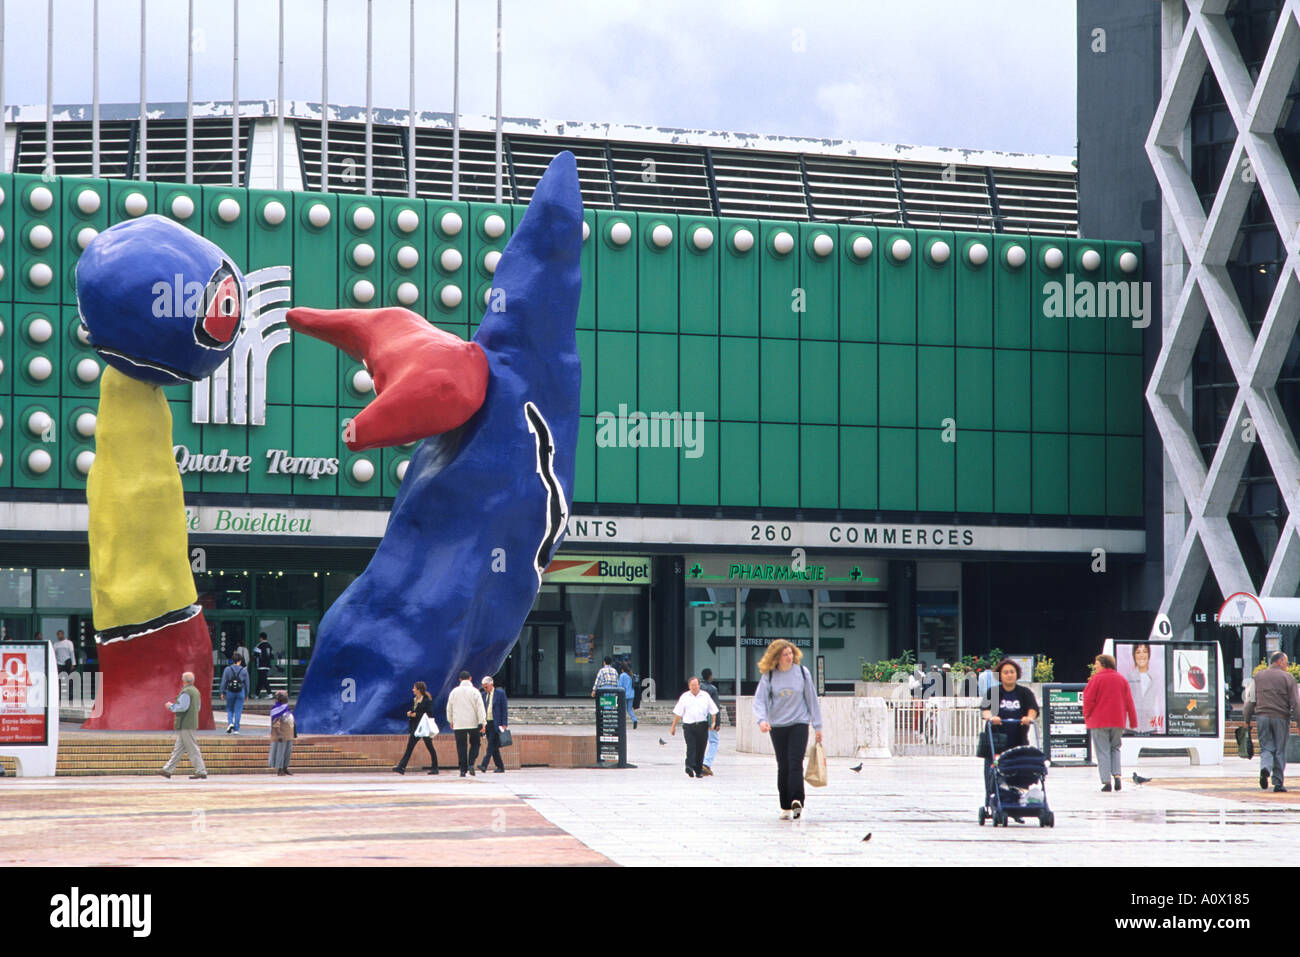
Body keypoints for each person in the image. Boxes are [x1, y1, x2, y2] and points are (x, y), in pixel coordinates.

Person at [752, 639, 823, 820]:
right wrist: (762, 720)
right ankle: (785, 804)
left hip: (799, 723)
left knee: (795, 762)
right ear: (776, 657)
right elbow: (759, 700)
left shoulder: (802, 672)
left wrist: (818, 726)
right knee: (783, 765)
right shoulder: (769, 675)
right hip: (778, 726)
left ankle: (797, 800)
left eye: (791, 653)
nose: (789, 657)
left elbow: (811, 699)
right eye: (785, 654)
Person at [979, 658, 1039, 800]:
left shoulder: (1025, 693)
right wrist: (991, 718)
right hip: (996, 741)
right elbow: (985, 710)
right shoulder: (993, 692)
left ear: (1016, 674)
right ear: (1000, 675)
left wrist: (1029, 718)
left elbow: (1033, 709)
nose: (1009, 675)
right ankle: (993, 800)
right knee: (993, 773)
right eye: (1005, 672)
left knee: (1019, 774)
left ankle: (1017, 801)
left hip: (1018, 740)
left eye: (1012, 672)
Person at [1242, 651, 1300, 793]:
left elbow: (1249, 701)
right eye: (1286, 663)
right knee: (1280, 750)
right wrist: (1299, 722)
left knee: (1266, 747)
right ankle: (1278, 783)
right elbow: (1296, 703)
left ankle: (1265, 768)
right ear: (1280, 661)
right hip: (1280, 718)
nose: (1287, 666)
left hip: (1262, 717)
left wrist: (1247, 720)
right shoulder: (1288, 678)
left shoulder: (1258, 676)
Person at [1082, 653, 1138, 792]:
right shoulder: (1121, 679)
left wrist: (1087, 716)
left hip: (1099, 721)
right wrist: (1133, 720)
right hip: (1118, 721)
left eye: (1097, 663)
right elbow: (1129, 701)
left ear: (1103, 664)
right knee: (1115, 748)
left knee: (1103, 751)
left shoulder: (1096, 679)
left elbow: (1088, 700)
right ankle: (1117, 776)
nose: (1095, 666)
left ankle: (1106, 782)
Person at [670, 676, 719, 778]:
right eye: (692, 685)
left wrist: (714, 722)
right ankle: (689, 766)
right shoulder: (684, 697)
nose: (694, 687)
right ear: (689, 686)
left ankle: (698, 770)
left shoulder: (705, 696)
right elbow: (678, 713)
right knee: (691, 746)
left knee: (701, 748)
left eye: (696, 685)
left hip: (702, 725)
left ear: (699, 685)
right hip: (689, 726)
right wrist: (673, 727)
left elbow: (713, 710)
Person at [160, 672, 207, 779]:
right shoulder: (195, 691)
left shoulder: (186, 692)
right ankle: (167, 770)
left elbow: (183, 707)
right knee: (179, 748)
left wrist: (171, 706)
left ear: (184, 680)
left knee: (192, 747)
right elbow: (198, 708)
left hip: (186, 723)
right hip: (190, 722)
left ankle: (201, 770)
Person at [393, 680, 440, 774]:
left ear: (419, 689)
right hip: (415, 727)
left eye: (414, 688)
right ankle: (401, 767)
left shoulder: (426, 700)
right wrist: (410, 713)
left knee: (430, 746)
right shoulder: (415, 700)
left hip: (424, 728)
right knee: (409, 747)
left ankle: (435, 768)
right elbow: (414, 710)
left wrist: (416, 715)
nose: (413, 690)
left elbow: (429, 713)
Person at [447, 671, 486, 777]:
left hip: (459, 723)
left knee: (461, 746)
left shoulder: (454, 692)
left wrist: (451, 720)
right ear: (470, 678)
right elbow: (480, 708)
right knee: (475, 743)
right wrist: (483, 722)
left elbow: (449, 708)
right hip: (473, 723)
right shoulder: (475, 692)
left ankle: (462, 770)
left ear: (459, 679)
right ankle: (471, 763)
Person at [1125, 642, 1164, 734]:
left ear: (1149, 655)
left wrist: (1157, 727)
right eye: (1138, 652)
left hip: (1149, 727)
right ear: (1134, 656)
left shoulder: (1155, 677)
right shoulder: (1128, 677)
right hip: (1131, 727)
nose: (1141, 655)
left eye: (1144, 652)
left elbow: (1157, 704)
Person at [477, 675, 509, 773]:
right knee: (494, 747)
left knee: (491, 745)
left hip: (497, 723)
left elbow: (504, 709)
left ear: (491, 685)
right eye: (483, 687)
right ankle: (500, 766)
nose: (485, 689)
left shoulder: (500, 693)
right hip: (487, 724)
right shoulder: (483, 695)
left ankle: (484, 765)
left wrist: (504, 723)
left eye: (486, 687)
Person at [699, 668, 722, 775]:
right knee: (714, 741)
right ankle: (706, 764)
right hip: (709, 719)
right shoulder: (712, 689)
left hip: (698, 719)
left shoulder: (698, 688)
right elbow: (715, 707)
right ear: (710, 676)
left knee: (700, 741)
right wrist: (717, 722)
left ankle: (698, 763)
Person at [220, 654, 250, 735]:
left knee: (229, 709)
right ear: (240, 661)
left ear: (232, 660)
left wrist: (222, 692)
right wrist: (247, 694)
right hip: (240, 691)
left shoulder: (227, 669)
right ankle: (236, 729)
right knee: (238, 710)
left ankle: (230, 723)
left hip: (230, 691)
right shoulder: (244, 670)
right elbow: (247, 683)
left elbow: (224, 681)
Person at [269, 691, 295, 776]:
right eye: (284, 696)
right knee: (281, 751)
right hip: (281, 734)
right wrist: (279, 734)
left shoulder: (286, 708)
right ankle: (279, 769)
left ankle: (285, 767)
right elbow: (275, 723)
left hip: (289, 734)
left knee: (288, 751)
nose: (286, 698)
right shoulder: (276, 709)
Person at [253, 632, 274, 698]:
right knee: (261, 680)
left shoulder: (259, 646)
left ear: (261, 638)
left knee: (263, 679)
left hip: (261, 665)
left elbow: (255, 655)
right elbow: (272, 656)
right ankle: (256, 694)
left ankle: (270, 694)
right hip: (267, 665)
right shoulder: (269, 646)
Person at [618, 662, 637, 730]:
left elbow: (620, 686)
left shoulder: (622, 675)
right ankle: (634, 720)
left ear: (622, 669)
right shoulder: (631, 675)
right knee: (629, 709)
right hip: (631, 694)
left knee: (622, 709)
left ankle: (622, 723)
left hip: (624, 695)